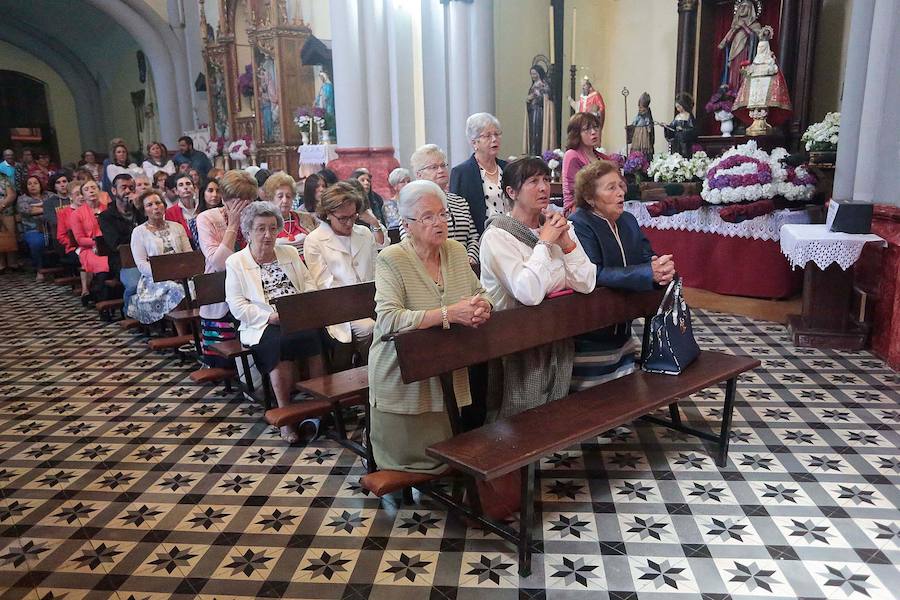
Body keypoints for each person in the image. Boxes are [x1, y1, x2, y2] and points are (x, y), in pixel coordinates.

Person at [368, 179, 492, 473]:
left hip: (445, 365)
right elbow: (388, 319)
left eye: (442, 214)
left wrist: (483, 307)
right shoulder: (392, 259)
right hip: (400, 369)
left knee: (445, 446)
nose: (439, 223)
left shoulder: (456, 251)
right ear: (406, 224)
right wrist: (449, 314)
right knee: (408, 462)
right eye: (427, 217)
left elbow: (482, 293)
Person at [479, 157, 596, 418]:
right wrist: (543, 245)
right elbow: (529, 293)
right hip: (515, 341)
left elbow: (586, 283)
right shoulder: (498, 236)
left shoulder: (556, 226)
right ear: (511, 192)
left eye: (545, 180)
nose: (544, 187)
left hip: (556, 332)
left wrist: (566, 242)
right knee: (519, 422)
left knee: (554, 416)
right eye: (533, 181)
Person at [570, 160, 675, 390]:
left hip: (624, 326)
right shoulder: (579, 224)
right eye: (610, 188)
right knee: (598, 396)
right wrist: (647, 272)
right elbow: (594, 273)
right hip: (592, 330)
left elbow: (646, 255)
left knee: (624, 387)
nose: (621, 193)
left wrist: (660, 267)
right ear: (589, 197)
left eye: (621, 185)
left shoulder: (628, 220)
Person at [225, 201, 323, 443]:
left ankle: (320, 407)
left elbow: (308, 281)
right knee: (278, 343)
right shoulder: (236, 262)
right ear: (247, 232)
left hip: (296, 315)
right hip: (263, 323)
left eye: (272, 228)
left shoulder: (288, 252)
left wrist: (301, 305)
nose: (267, 235)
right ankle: (287, 416)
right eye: (260, 229)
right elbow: (237, 305)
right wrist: (269, 317)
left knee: (319, 336)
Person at [304, 181, 389, 369]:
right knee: (370, 329)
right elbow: (324, 285)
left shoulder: (364, 233)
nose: (350, 223)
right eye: (343, 218)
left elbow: (377, 270)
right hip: (339, 309)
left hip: (372, 302)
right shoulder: (315, 240)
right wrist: (359, 305)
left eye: (353, 216)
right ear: (327, 214)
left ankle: (381, 376)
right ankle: (371, 374)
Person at [196, 170, 254, 368]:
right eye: (238, 202)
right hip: (219, 290)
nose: (244, 208)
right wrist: (234, 224)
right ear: (225, 199)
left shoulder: (255, 216)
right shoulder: (206, 219)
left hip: (251, 289)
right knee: (226, 363)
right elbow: (218, 263)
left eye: (248, 202)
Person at [128, 189, 193, 324]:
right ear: (144, 210)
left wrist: (183, 273)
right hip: (154, 279)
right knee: (175, 289)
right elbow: (141, 264)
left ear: (164, 205)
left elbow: (188, 253)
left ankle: (198, 330)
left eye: (158, 203)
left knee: (196, 285)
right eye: (149, 205)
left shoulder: (177, 227)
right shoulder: (139, 232)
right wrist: (167, 274)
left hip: (182, 274)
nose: (155, 207)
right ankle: (182, 335)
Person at [410, 144, 480, 266]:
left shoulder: (460, 202)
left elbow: (473, 237)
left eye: (443, 165)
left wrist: (470, 257)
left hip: (465, 267)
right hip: (431, 268)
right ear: (419, 175)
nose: (441, 170)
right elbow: (411, 242)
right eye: (433, 167)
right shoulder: (412, 205)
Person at [450, 113, 508, 234]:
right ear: (474, 142)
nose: (494, 139)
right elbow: (459, 215)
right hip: (481, 237)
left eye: (497, 134)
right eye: (487, 136)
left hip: (511, 234)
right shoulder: (462, 173)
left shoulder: (507, 168)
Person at [99, 174, 141, 311]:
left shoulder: (141, 211)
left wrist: (140, 209)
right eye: (123, 187)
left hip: (147, 257)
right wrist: (138, 235)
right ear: (114, 191)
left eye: (131, 188)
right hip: (123, 261)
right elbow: (116, 243)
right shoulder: (107, 216)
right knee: (135, 285)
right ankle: (130, 311)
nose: (128, 191)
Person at [70, 179, 111, 304]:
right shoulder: (77, 214)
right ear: (82, 195)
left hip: (109, 246)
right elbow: (80, 239)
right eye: (86, 189)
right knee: (103, 265)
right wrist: (96, 243)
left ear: (99, 191)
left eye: (93, 187)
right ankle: (102, 299)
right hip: (89, 248)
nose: (91, 191)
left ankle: (109, 295)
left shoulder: (108, 210)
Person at [562, 112, 607, 214]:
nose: (593, 132)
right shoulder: (572, 155)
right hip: (577, 209)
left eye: (595, 127)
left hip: (601, 206)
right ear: (577, 133)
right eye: (587, 129)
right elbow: (575, 190)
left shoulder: (603, 157)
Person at [263, 172, 310, 250]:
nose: (285, 200)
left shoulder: (306, 218)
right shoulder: (265, 222)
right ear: (271, 198)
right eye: (280, 196)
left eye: (288, 196)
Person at [17, 176, 47, 279]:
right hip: (33, 230)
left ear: (40, 184)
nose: (32, 185)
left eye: (35, 183)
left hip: (52, 228)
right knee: (36, 242)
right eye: (29, 184)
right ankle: (39, 269)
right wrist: (47, 207)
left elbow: (58, 206)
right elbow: (29, 211)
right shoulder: (22, 199)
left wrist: (38, 206)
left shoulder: (49, 195)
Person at [526, 64, 554, 156]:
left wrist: (537, 95)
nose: (533, 76)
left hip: (540, 112)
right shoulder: (533, 85)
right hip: (532, 111)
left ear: (539, 73)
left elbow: (547, 98)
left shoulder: (543, 84)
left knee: (538, 133)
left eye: (534, 73)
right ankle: (533, 152)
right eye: (531, 74)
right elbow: (530, 97)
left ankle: (538, 153)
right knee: (532, 134)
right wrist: (528, 100)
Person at [165, 173, 201, 245]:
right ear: (176, 191)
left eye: (188, 184)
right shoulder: (170, 212)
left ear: (195, 188)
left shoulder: (202, 206)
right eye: (181, 185)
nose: (185, 187)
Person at [661, 93, 697, 158]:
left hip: (684, 142)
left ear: (684, 105)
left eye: (679, 107)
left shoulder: (688, 116)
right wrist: (666, 126)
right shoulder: (677, 116)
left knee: (684, 155)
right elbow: (672, 128)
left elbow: (693, 130)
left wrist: (683, 129)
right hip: (676, 141)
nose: (677, 109)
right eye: (676, 107)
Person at [43, 172, 71, 250]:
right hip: (60, 237)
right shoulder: (48, 203)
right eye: (58, 183)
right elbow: (54, 222)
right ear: (54, 186)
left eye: (64, 181)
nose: (62, 185)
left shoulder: (76, 199)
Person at [0, 171, 18, 273]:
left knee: (10, 235)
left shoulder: (4, 178)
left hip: (7, 211)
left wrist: (2, 205)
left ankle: (12, 263)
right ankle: (1, 265)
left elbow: (12, 194)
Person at [630, 92, 655, 159]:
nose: (640, 109)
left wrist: (649, 127)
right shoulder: (639, 115)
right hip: (637, 132)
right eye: (639, 107)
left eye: (642, 108)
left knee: (643, 147)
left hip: (644, 133)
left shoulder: (647, 116)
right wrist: (632, 125)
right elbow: (636, 120)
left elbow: (648, 122)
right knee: (636, 145)